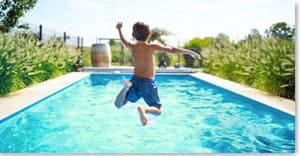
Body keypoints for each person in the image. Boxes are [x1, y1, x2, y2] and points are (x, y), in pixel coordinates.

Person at [114, 21, 201, 126]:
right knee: (158, 110)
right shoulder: (151, 47)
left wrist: (119, 30)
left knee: (119, 104)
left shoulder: (133, 47)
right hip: (148, 83)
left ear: (133, 35)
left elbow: (124, 41)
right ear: (149, 34)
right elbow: (172, 50)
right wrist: (191, 52)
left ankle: (125, 88)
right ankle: (144, 110)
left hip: (134, 81)